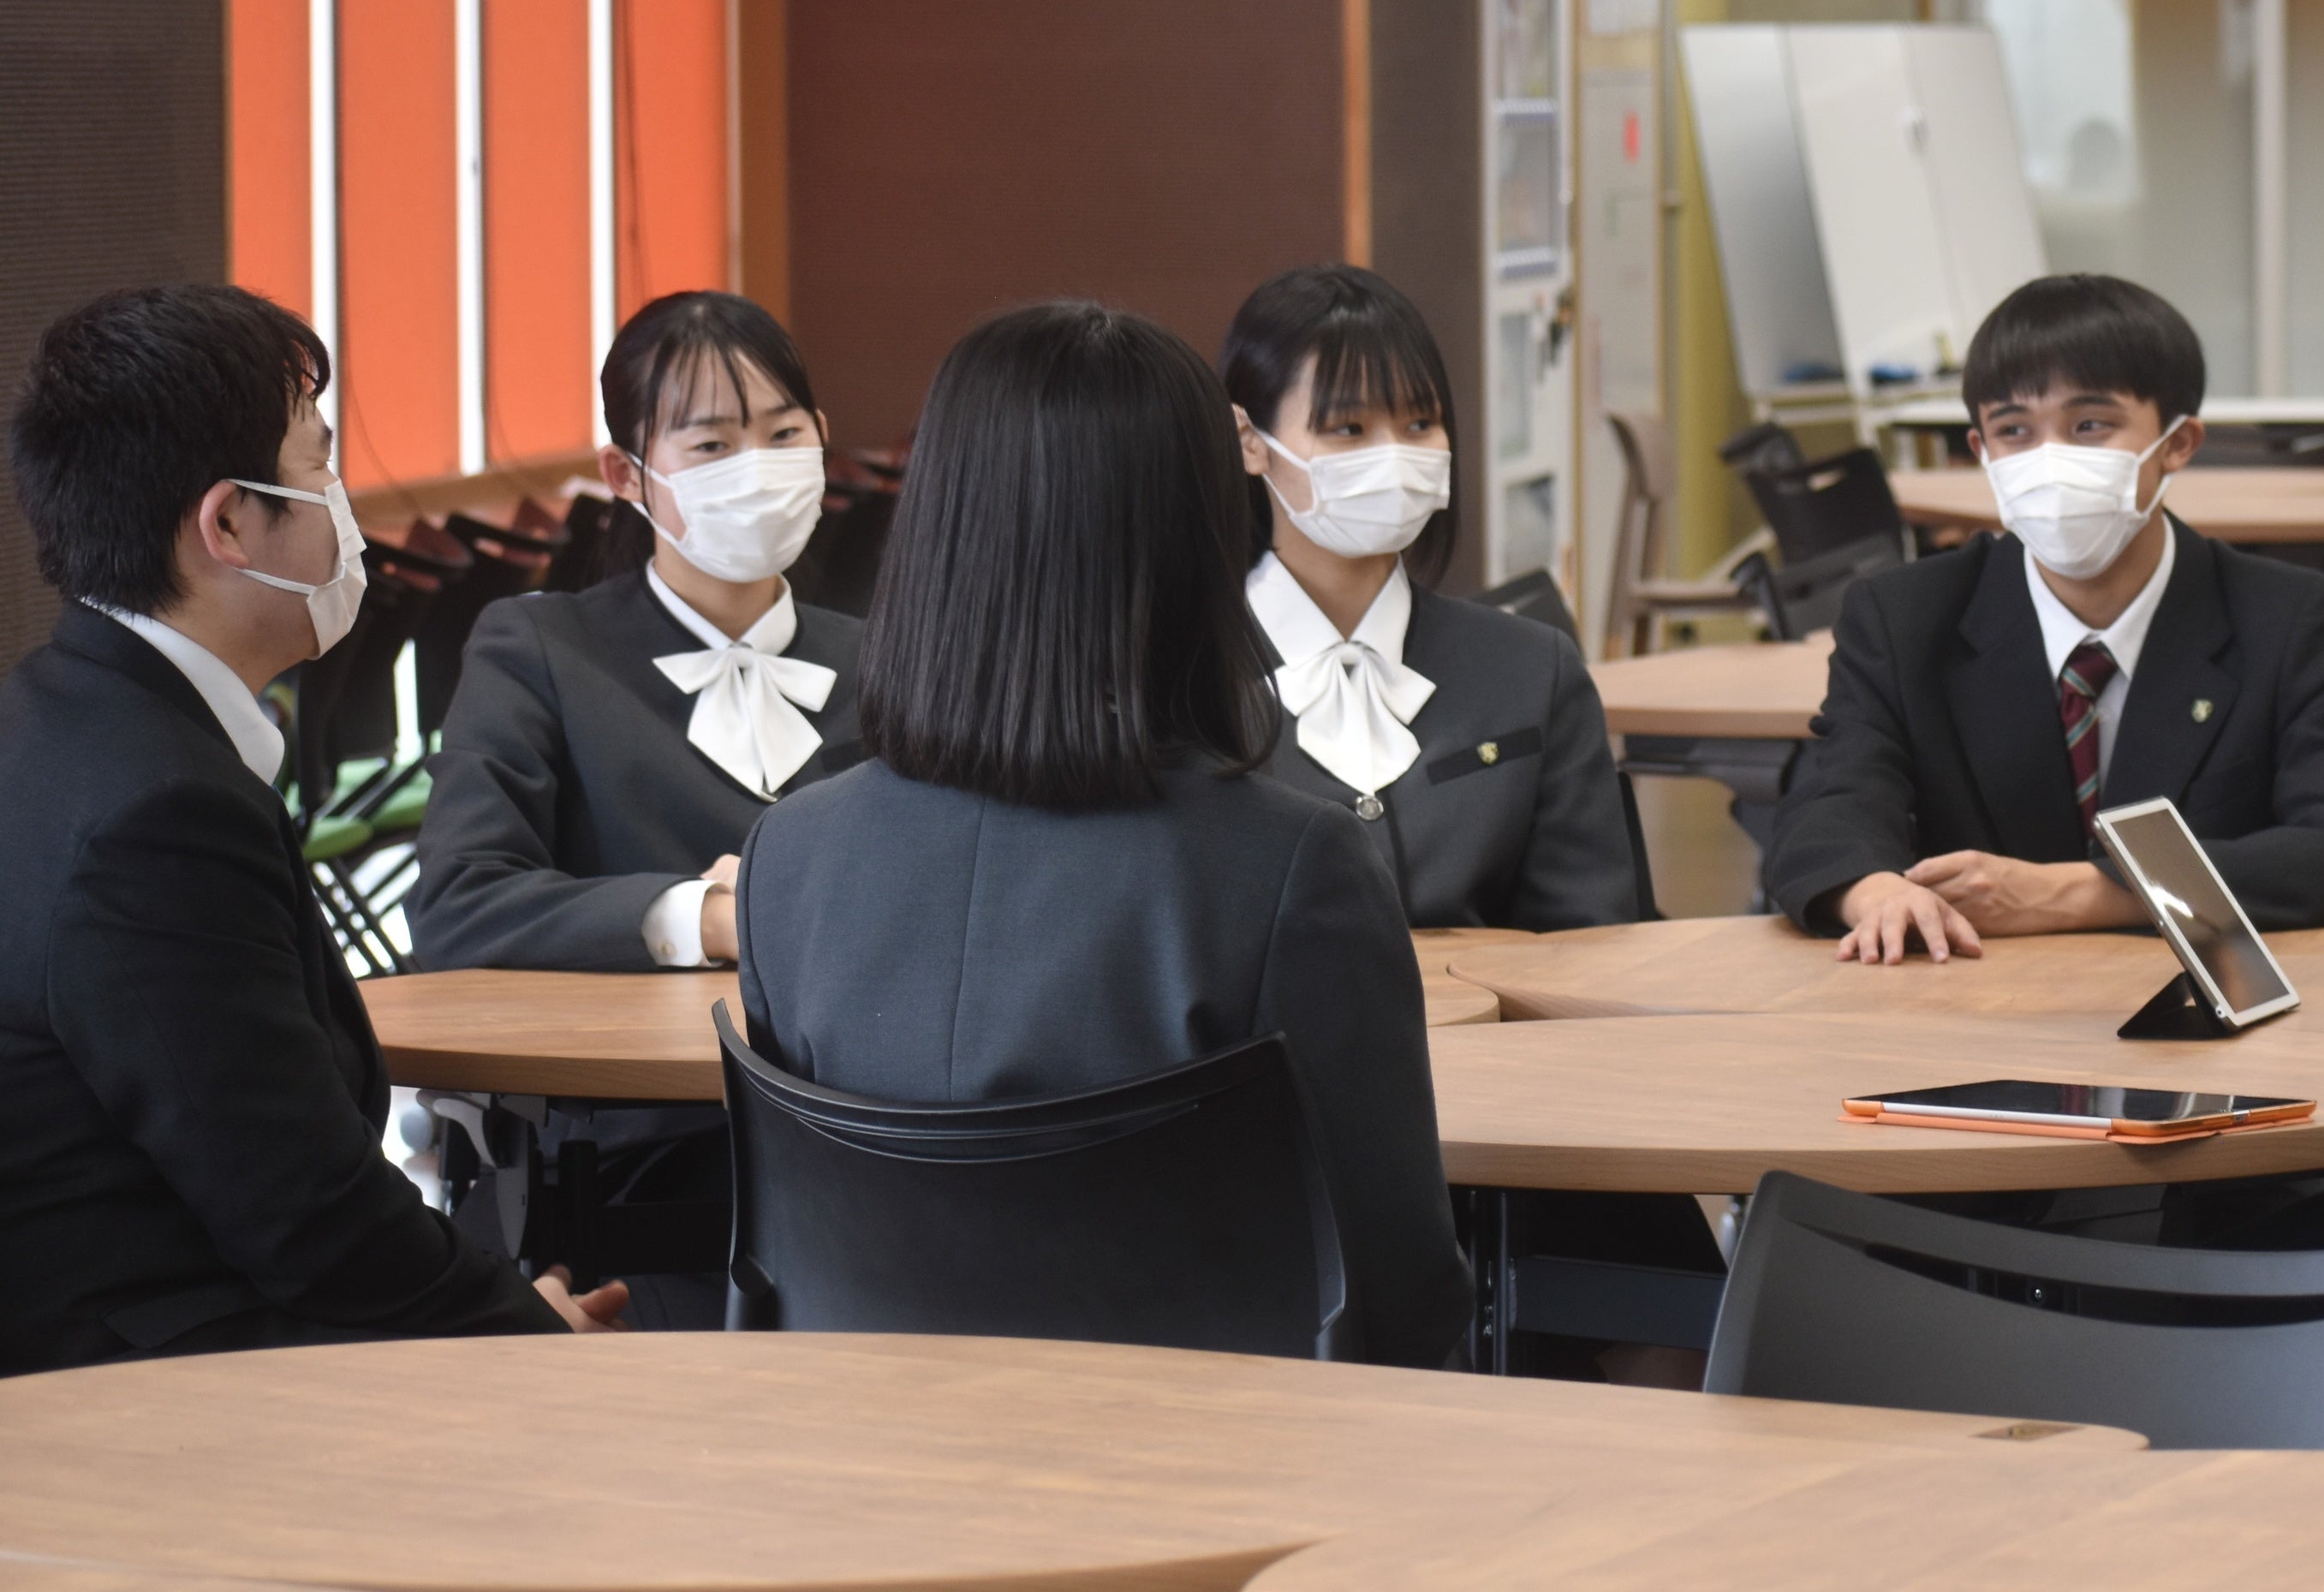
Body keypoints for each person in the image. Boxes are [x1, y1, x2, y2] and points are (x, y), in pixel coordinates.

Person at [737, 301, 1470, 1367]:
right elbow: (1398, 1289)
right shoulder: (1288, 869)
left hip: (859, 1440)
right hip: (1217, 1449)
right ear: (1198, 540)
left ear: (935, 527)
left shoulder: (787, 860)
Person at [1, 285, 620, 1373]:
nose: (345, 502)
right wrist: (531, 1338)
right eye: (319, 462)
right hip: (154, 1387)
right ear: (229, 525)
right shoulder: (161, 812)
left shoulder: (56, 714)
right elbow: (310, 1221)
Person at [409, 292, 864, 1328]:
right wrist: (706, 918)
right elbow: (459, 902)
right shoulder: (540, 649)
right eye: (711, 444)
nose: (756, 467)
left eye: (782, 434)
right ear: (626, 474)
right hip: (629, 1160)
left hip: (863, 1146)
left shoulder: (892, 662)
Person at [1766, 274, 2324, 961]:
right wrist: (1875, 892)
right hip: (1970, 1004)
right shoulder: (1903, 617)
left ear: (2179, 443)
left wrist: (2079, 894)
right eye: (2014, 431)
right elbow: (1827, 812)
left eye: (2090, 425)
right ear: (1981, 453)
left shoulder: (2287, 618)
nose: (2051, 460)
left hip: (2196, 1007)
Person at [1225, 265, 1637, 931]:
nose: (1394, 457)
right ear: (1252, 443)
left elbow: (1591, 935)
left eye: (1419, 424)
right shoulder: (1177, 682)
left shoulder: (1532, 670)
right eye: (1348, 429)